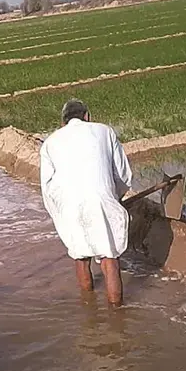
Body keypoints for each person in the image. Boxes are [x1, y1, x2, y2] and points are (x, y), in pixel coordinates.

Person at [40, 99, 133, 307]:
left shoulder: (50, 143)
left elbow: (47, 188)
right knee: (110, 259)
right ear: (87, 116)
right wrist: (114, 198)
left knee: (80, 256)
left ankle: (89, 310)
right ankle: (117, 315)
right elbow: (123, 175)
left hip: (69, 205)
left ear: (63, 122)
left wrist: (60, 213)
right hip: (101, 200)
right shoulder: (105, 131)